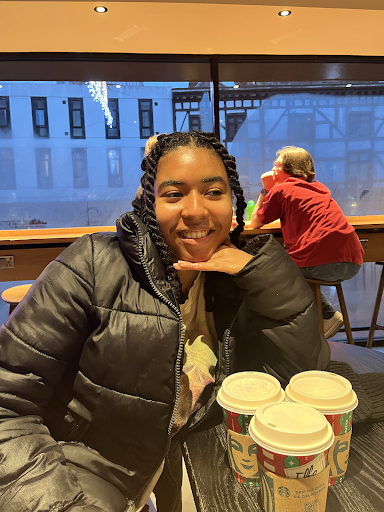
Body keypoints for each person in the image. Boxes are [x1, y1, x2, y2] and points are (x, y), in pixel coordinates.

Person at [0, 132, 330, 512]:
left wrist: (265, 275)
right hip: (77, 480)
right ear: (149, 203)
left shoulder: (241, 284)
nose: (195, 210)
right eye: (174, 194)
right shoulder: (91, 265)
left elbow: (297, 382)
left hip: (194, 475)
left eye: (213, 192)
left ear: (233, 202)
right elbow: (8, 403)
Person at [251, 146, 364, 339]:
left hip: (322, 261)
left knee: (272, 269)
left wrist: (265, 188)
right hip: (353, 261)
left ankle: (296, 332)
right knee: (293, 263)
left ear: (286, 168)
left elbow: (255, 223)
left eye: (276, 165)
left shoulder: (281, 189)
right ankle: (325, 317)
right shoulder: (319, 188)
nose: (273, 169)